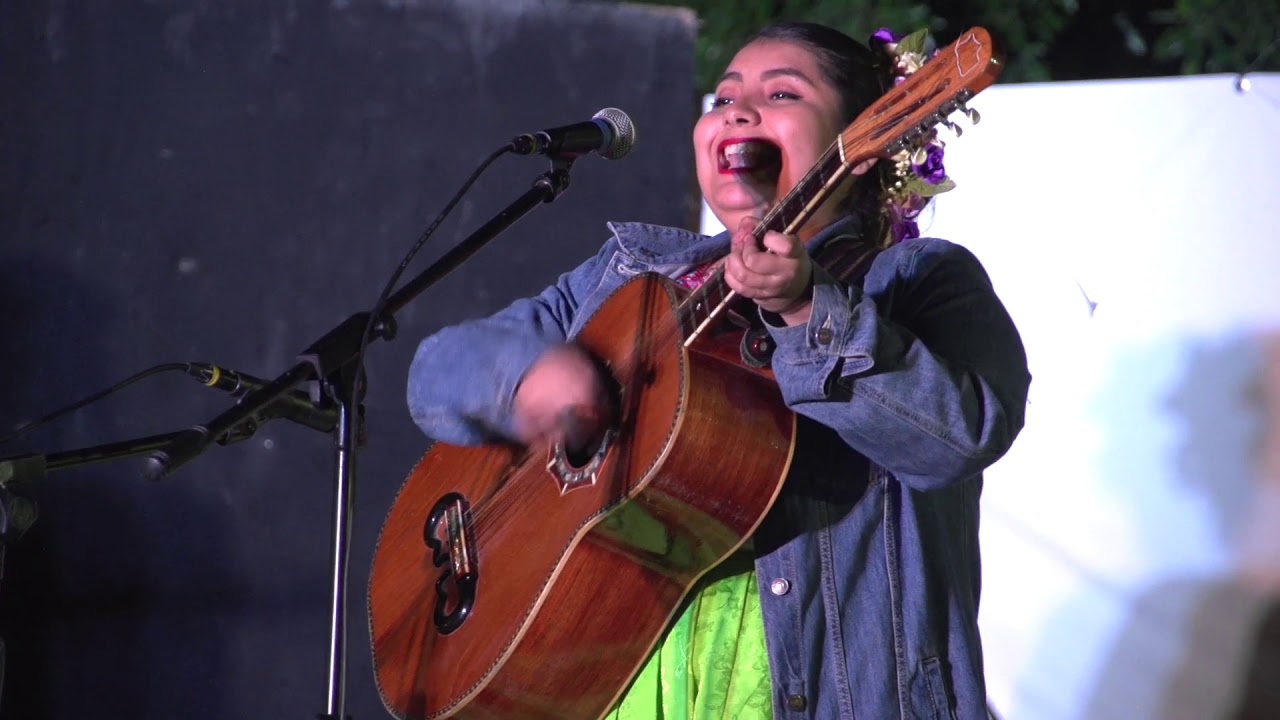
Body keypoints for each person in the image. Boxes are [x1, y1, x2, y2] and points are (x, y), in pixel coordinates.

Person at [406, 20, 1030, 720]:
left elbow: (962, 434)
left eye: (782, 93)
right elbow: (436, 372)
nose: (736, 110)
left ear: (861, 143)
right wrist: (527, 382)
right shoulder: (622, 281)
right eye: (724, 98)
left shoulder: (916, 281)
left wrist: (803, 309)